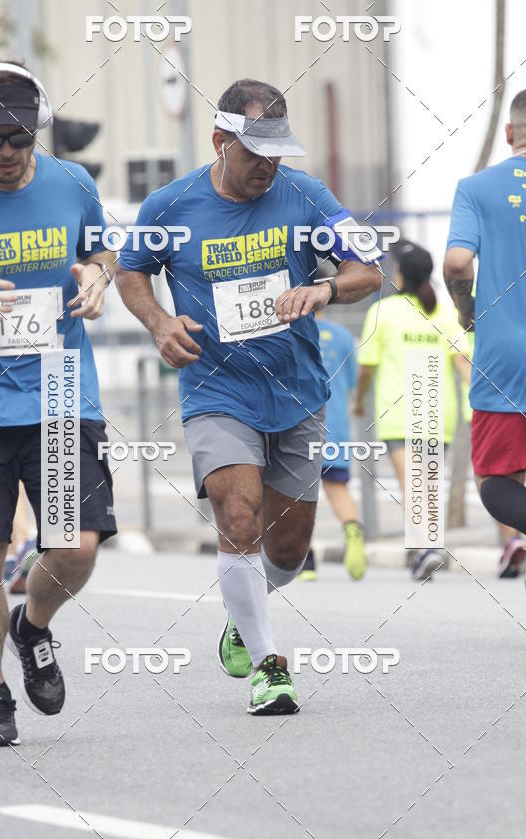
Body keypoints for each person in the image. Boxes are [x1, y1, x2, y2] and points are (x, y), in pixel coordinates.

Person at [116, 78, 381, 715]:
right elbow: (130, 273)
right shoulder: (169, 207)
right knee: (238, 516)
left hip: (296, 390)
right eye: (255, 152)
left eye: (277, 153)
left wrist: (324, 291)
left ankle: (244, 610)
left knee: (287, 549)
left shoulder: (308, 196)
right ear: (220, 141)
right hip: (217, 388)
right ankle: (270, 668)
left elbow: (369, 271)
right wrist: (159, 322)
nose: (268, 166)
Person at [0, 61, 117, 747]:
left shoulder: (73, 182)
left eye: (19, 137)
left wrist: (99, 277)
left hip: (61, 389)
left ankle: (33, 627)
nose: (7, 153)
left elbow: (101, 249)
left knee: (74, 547)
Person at [444, 86, 526, 604]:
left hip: (506, 358)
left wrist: (466, 310)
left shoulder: (477, 189)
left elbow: (458, 263)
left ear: (510, 133)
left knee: (498, 477)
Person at [354, 240, 471, 580]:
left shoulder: (382, 312)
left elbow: (367, 367)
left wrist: (359, 399)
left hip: (398, 412)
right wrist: (482, 397)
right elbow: (463, 362)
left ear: (401, 275)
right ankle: (426, 549)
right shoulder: (446, 312)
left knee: (412, 486)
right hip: (438, 411)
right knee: (428, 485)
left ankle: (426, 549)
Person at [297, 309, 367, 581]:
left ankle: (306, 561)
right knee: (338, 488)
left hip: (299, 424)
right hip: (334, 423)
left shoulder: (292, 332)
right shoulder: (342, 336)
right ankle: (353, 534)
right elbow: (350, 382)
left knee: (297, 495)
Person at [459, 334, 526, 578]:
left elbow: (462, 365)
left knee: (488, 480)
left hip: (486, 410)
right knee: (514, 474)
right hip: (520, 406)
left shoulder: (470, 329)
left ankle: (512, 540)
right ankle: (514, 540)